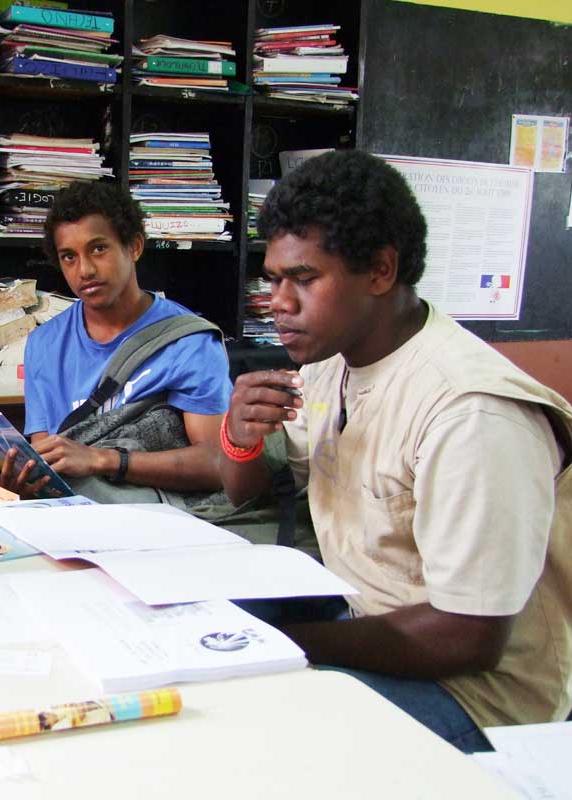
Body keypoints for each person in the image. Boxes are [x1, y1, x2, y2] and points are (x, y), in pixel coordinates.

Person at [220, 148, 572, 752]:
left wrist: (287, 644)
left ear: (381, 270)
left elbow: (468, 637)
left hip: (474, 697)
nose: (278, 301)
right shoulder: (331, 364)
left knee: (254, 731)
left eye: (304, 279)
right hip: (366, 623)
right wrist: (239, 435)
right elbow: (243, 490)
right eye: (273, 279)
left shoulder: (471, 412)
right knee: (195, 638)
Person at [0, 181, 232, 506]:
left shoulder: (188, 341)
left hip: (163, 515)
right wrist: (14, 477)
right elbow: (50, 461)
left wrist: (103, 459)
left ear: (134, 247)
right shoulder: (44, 343)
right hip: (74, 513)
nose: (85, 270)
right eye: (69, 257)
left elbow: (218, 465)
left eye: (98, 249)